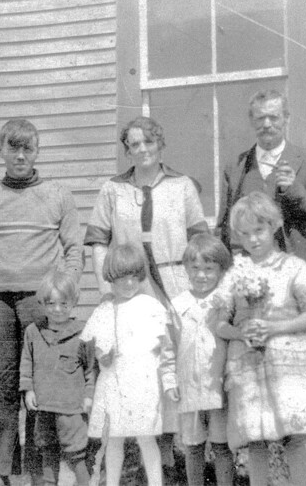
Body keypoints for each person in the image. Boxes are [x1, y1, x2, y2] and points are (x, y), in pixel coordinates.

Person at [0, 119, 85, 486]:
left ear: (37, 152)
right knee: (0, 390)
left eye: (27, 148)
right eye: (12, 148)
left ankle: (40, 473)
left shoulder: (58, 195)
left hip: (39, 303)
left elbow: (74, 250)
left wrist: (64, 290)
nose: (20, 156)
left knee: (40, 389)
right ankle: (2, 472)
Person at [83, 116, 209, 473]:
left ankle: (180, 451)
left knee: (175, 364)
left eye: (148, 142)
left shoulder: (182, 185)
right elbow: (96, 242)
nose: (142, 150)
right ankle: (153, 450)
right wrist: (106, 290)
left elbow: (199, 238)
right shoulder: (113, 189)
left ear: (160, 144)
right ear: (127, 150)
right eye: (134, 145)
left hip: (175, 282)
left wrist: (199, 289)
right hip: (132, 287)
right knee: (141, 364)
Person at [214, 191, 306, 486]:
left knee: (294, 433)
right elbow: (218, 322)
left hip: (287, 360)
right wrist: (240, 332)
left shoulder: (293, 267)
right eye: (246, 233)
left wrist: (275, 328)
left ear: (274, 226)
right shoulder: (236, 272)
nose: (253, 240)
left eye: (259, 230)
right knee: (256, 437)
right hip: (248, 363)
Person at [216, 89, 306, 300]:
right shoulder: (235, 166)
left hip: (297, 275)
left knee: (296, 332)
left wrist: (296, 189)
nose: (267, 124)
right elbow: (224, 227)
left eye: (274, 117)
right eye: (260, 118)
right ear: (252, 121)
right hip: (250, 277)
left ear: (286, 118)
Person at [80, 243, 170, 486]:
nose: (129, 284)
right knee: (114, 438)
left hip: (142, 382)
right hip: (115, 382)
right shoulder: (105, 309)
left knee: (146, 437)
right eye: (122, 279)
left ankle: (155, 483)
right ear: (111, 278)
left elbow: (164, 341)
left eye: (133, 277)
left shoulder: (149, 306)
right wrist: (102, 356)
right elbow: (96, 343)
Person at [160, 233, 235, 486]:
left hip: (218, 389)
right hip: (189, 389)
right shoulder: (178, 305)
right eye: (195, 268)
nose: (201, 275)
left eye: (209, 269)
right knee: (193, 447)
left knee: (221, 445)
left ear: (221, 270)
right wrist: (169, 381)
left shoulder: (225, 303)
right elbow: (168, 348)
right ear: (186, 269)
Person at [19, 270, 95, 486]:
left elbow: (90, 370)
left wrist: (89, 396)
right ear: (42, 304)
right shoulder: (33, 332)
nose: (58, 309)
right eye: (51, 303)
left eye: (64, 303)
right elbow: (27, 363)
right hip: (44, 407)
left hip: (71, 409)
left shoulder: (83, 334)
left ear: (74, 302)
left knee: (76, 455)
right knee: (47, 451)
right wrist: (28, 390)